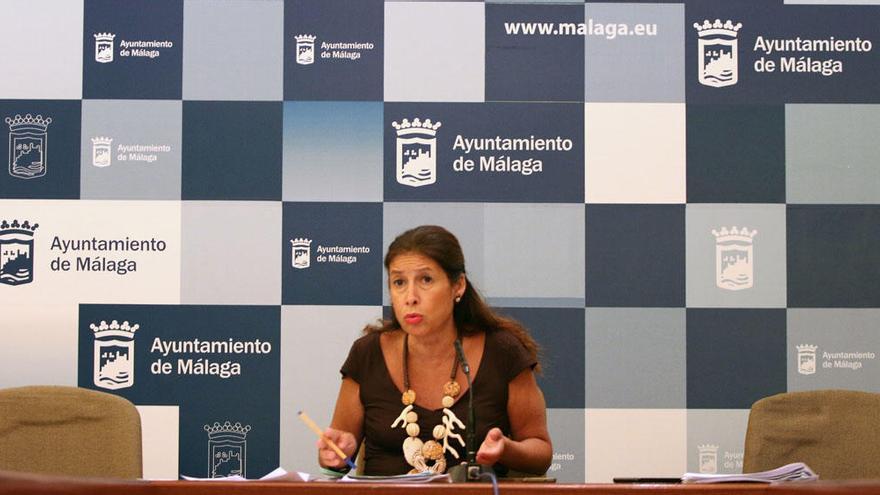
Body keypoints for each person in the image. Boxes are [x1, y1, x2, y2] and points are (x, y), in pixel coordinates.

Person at [317, 225, 552, 476]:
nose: (410, 297)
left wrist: (506, 449)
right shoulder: (368, 354)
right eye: (399, 282)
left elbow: (540, 452)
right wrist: (338, 453)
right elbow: (339, 455)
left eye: (426, 280)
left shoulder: (502, 351)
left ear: (457, 286)